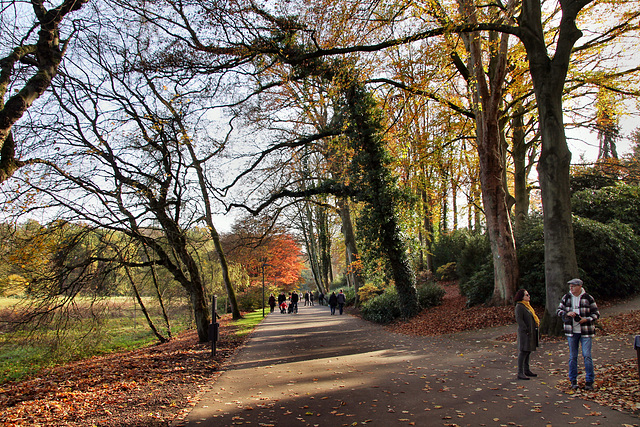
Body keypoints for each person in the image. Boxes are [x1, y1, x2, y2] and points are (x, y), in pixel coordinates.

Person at [556, 278, 600, 391]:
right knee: (573, 357)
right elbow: (558, 310)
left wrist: (587, 319)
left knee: (587, 355)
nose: (571, 288)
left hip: (586, 331)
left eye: (573, 286)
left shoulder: (588, 298)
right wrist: (567, 313)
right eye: (570, 286)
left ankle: (589, 381)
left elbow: (596, 313)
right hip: (571, 331)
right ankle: (573, 380)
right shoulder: (566, 297)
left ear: (580, 286)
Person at [514, 289, 539, 380]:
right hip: (525, 332)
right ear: (522, 297)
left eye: (528, 294)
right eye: (526, 295)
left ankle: (526, 370)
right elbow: (519, 319)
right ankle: (520, 372)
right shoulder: (519, 306)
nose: (529, 296)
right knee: (523, 351)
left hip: (530, 331)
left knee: (528, 350)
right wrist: (525, 329)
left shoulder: (527, 306)